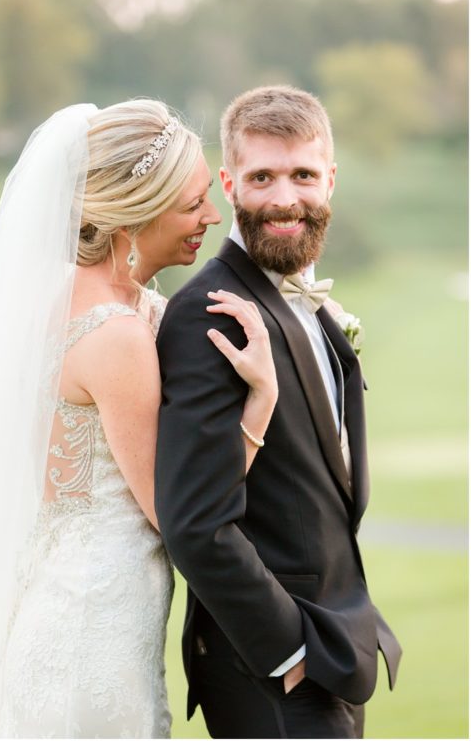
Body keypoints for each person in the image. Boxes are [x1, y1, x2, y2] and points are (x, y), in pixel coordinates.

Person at [0, 100, 279, 738]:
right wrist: (261, 403)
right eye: (192, 204)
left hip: (62, 594)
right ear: (135, 215)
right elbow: (173, 508)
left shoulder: (67, 298)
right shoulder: (115, 335)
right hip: (93, 626)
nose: (213, 216)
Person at [155, 85, 402, 738]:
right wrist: (292, 654)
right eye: (262, 177)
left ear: (331, 180)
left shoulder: (312, 305)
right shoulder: (208, 316)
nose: (285, 199)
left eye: (303, 175)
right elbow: (194, 522)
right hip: (270, 669)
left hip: (334, 647)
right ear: (231, 183)